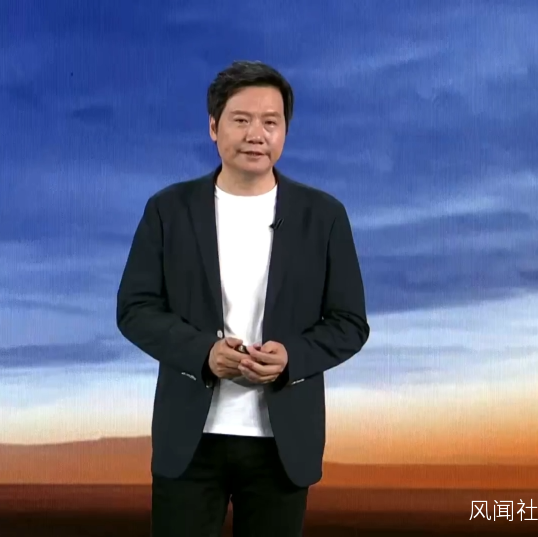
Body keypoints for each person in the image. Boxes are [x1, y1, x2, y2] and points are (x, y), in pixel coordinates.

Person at [116, 60, 370, 537]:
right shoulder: (168, 210)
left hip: (282, 444)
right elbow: (135, 308)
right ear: (214, 127)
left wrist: (291, 357)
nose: (257, 134)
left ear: (285, 131)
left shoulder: (324, 216)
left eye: (271, 122)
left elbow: (349, 322)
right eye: (241, 120)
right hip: (190, 440)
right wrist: (203, 354)